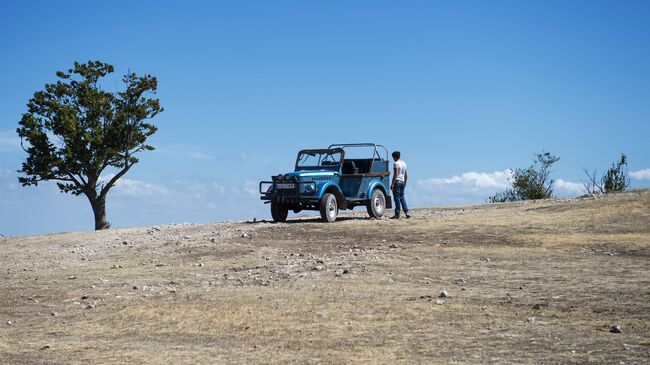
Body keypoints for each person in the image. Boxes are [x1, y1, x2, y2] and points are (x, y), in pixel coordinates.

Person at [390, 151, 410, 219]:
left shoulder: (396, 163)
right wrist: (405, 183)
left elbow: (395, 174)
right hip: (402, 182)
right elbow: (406, 175)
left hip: (397, 182)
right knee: (402, 198)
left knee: (397, 199)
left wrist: (392, 183)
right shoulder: (404, 163)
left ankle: (397, 214)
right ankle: (406, 212)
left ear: (394, 157)